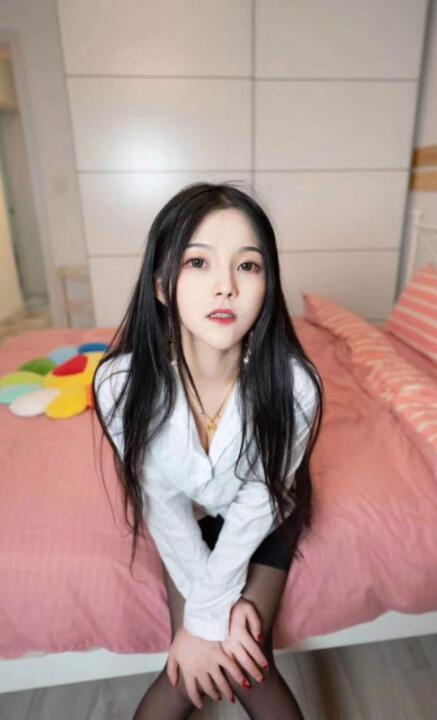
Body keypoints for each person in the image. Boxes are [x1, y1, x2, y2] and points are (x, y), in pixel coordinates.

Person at [93, 181, 325, 719]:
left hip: (268, 512)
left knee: (247, 660)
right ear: (161, 285)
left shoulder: (295, 387)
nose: (226, 287)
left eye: (248, 266)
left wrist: (209, 612)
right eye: (198, 262)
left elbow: (260, 503)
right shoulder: (120, 386)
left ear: (268, 284)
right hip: (187, 518)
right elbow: (161, 501)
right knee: (193, 660)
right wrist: (206, 617)